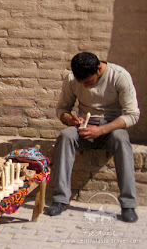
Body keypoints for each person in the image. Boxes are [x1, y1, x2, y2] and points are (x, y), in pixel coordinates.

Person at [46, 52, 140, 223]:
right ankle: (60, 199)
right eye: (81, 83)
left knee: (122, 139)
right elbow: (62, 109)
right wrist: (70, 119)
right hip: (84, 128)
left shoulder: (119, 76)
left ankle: (128, 204)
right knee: (66, 136)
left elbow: (132, 115)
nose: (85, 86)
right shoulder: (72, 80)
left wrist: (102, 130)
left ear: (98, 68)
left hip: (111, 127)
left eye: (88, 82)